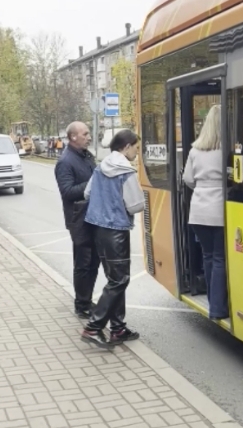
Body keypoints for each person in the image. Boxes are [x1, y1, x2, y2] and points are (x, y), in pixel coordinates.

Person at [80, 129, 145, 349]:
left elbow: (87, 194)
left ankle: (118, 329)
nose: (137, 152)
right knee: (119, 280)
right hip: (116, 231)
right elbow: (136, 205)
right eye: (136, 148)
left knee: (114, 279)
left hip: (98, 229)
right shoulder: (126, 171)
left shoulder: (101, 167)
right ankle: (93, 327)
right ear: (126, 147)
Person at [183, 105, 228, 320]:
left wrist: (203, 187)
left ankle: (212, 304)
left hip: (198, 211)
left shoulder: (195, 150)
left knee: (208, 256)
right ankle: (218, 308)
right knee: (220, 259)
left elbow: (188, 179)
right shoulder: (227, 149)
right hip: (219, 209)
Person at [55, 122, 100, 319]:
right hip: (79, 219)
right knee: (83, 263)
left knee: (94, 262)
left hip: (93, 216)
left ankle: (87, 299)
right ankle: (82, 305)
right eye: (85, 134)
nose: (89, 137)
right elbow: (67, 192)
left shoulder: (85, 156)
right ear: (73, 137)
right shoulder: (65, 161)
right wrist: (93, 182)